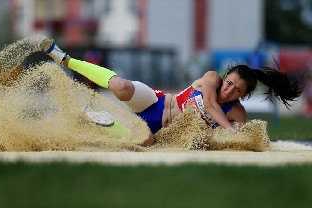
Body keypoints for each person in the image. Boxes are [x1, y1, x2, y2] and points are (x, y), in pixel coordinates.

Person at [41, 38, 303, 146]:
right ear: (225, 78)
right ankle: (65, 59)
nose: (229, 91)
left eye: (237, 91)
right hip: (156, 103)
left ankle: (93, 120)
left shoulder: (238, 114)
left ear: (243, 96)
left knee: (143, 143)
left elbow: (235, 142)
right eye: (229, 83)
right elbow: (211, 106)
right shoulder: (211, 79)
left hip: (159, 135)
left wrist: (243, 137)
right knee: (121, 87)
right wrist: (230, 128)